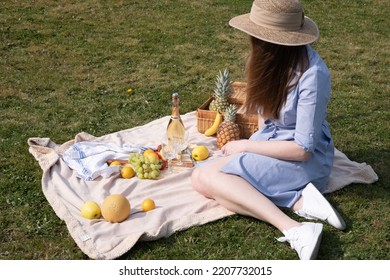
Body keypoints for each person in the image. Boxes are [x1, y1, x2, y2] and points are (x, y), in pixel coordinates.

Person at [191, 0, 346, 260]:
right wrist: (253, 148)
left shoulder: (313, 75)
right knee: (205, 178)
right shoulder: (267, 60)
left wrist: (245, 146)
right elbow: (265, 118)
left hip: (304, 160)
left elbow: (302, 150)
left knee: (204, 178)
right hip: (274, 145)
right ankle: (299, 201)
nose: (252, 39)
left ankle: (295, 229)